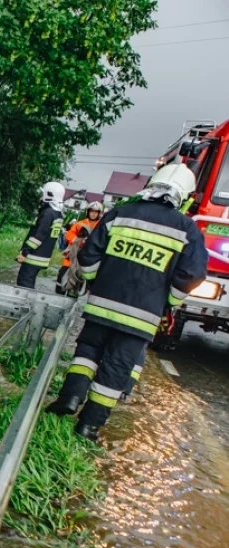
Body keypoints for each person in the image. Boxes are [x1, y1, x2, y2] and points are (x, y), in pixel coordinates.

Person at [44, 164, 208, 441]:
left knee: (86, 353)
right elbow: (192, 274)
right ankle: (88, 426)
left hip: (101, 306)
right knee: (116, 369)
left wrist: (97, 284)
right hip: (142, 317)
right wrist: (168, 301)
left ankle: (69, 398)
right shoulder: (187, 229)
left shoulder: (120, 213)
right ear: (184, 195)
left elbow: (89, 255)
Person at [16, 182, 66, 289]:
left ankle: (24, 305)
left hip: (34, 255)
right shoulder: (58, 214)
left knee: (24, 283)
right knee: (29, 281)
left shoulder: (47, 213)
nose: (41, 197)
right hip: (43, 256)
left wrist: (25, 251)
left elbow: (38, 235)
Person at [56, 201, 103, 295]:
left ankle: (75, 295)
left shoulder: (101, 226)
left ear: (99, 213)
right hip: (74, 254)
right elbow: (70, 234)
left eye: (95, 212)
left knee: (82, 277)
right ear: (88, 212)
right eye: (91, 211)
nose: (93, 214)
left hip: (88, 257)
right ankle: (59, 292)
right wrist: (79, 241)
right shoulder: (79, 224)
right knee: (63, 273)